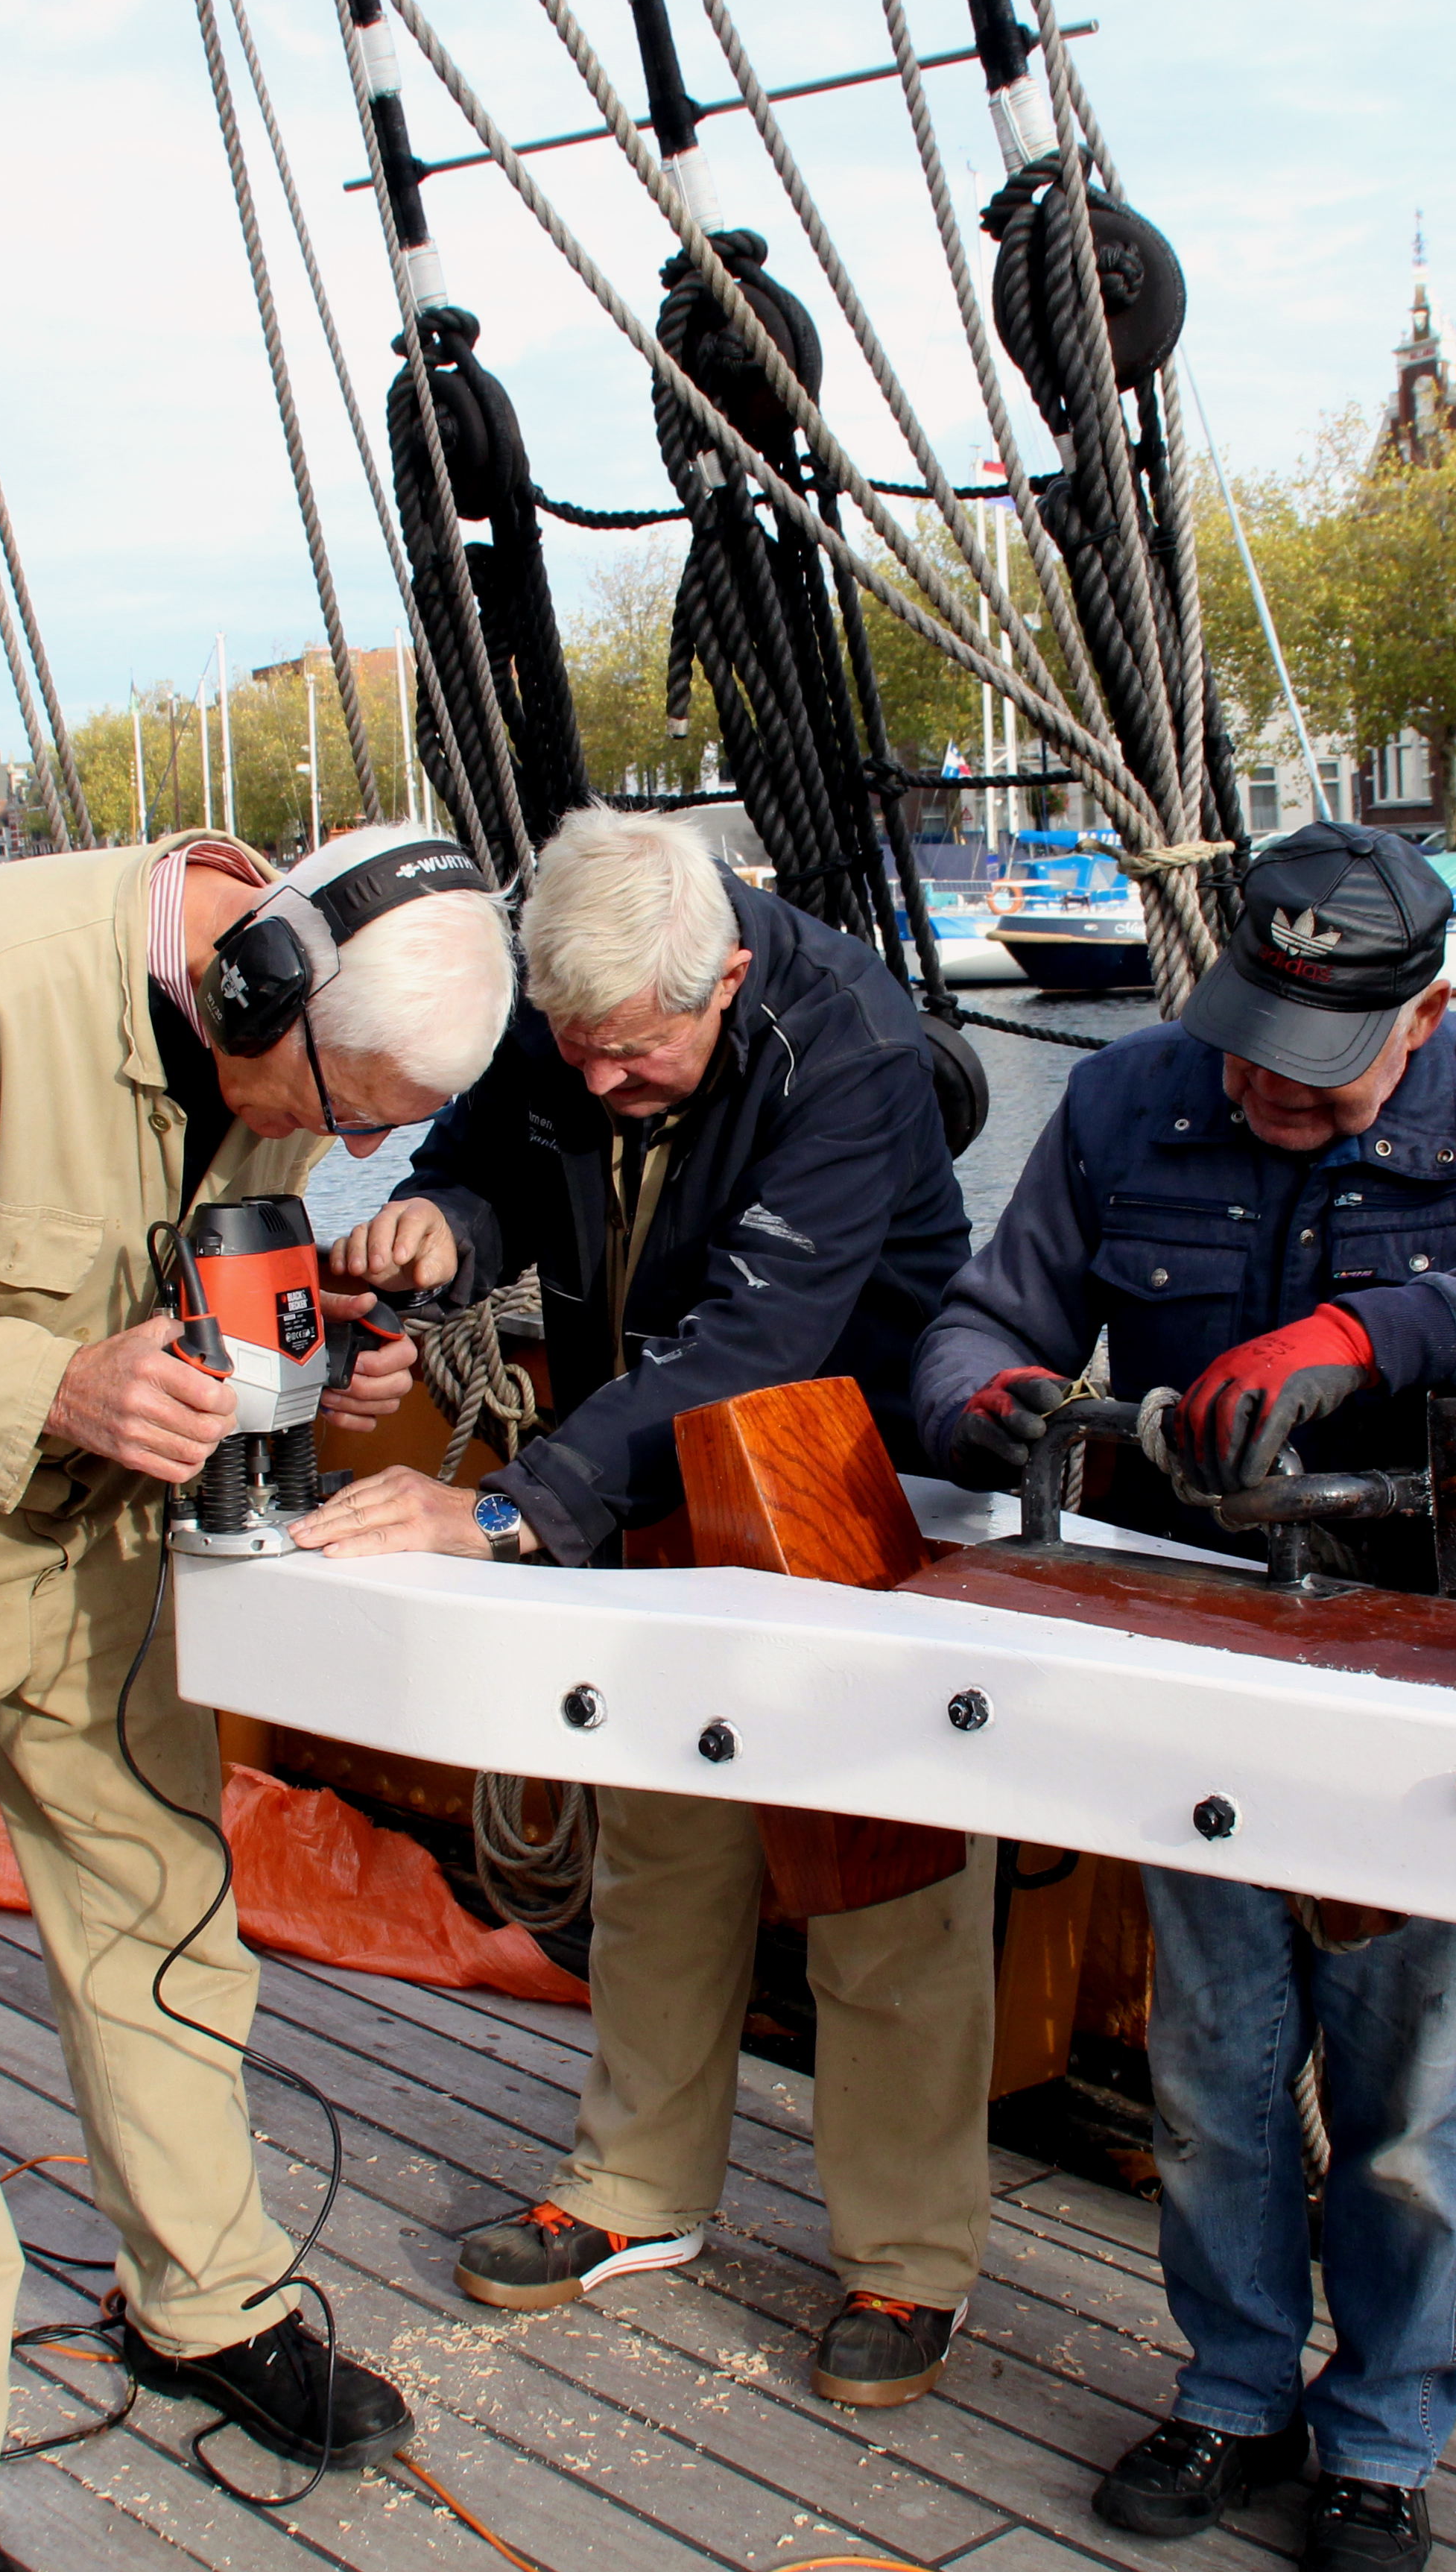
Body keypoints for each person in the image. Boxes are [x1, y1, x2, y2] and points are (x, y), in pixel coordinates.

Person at [0, 822, 512, 2572]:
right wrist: (57, 1385)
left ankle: (203, 2304)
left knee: (163, 1916)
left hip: (98, 1553)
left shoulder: (274, 1041)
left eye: (383, 1130)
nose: (352, 1145)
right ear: (255, 981)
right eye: (342, 1102)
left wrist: (316, 1354)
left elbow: (196, 1262)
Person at [909, 821, 1456, 2572]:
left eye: (1321, 1069)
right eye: (1251, 1038)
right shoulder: (1124, 1105)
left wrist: (1362, 1338)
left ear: (1427, 1017)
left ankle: (1385, 2444)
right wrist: (1002, 1406)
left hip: (1429, 1668)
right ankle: (1237, 2393)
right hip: (1199, 1653)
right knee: (1217, 2060)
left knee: (1408, 2099)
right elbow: (973, 1328)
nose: (1269, 1086)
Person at [296, 805, 986, 2407]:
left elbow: (763, 1338)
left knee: (877, 1877)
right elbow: (494, 1171)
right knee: (663, 1847)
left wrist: (506, 1512)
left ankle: (906, 2262)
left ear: (730, 975)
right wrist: (437, 1231)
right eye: (574, 1049)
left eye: (633, 1056)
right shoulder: (583, 1018)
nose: (597, 1081)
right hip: (658, 1477)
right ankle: (635, 2193)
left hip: (840, 1476)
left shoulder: (856, 1054)